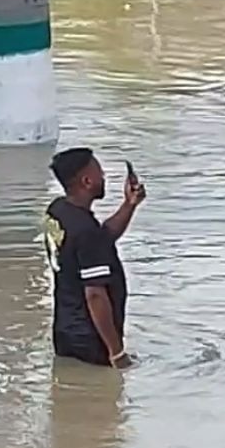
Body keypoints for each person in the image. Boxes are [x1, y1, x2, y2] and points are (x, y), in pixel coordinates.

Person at [43, 147, 146, 369]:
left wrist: (129, 204)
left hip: (64, 335)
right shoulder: (86, 231)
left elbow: (102, 237)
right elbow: (95, 296)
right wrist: (116, 352)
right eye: (100, 172)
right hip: (92, 342)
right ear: (87, 181)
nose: (104, 177)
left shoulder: (58, 211)